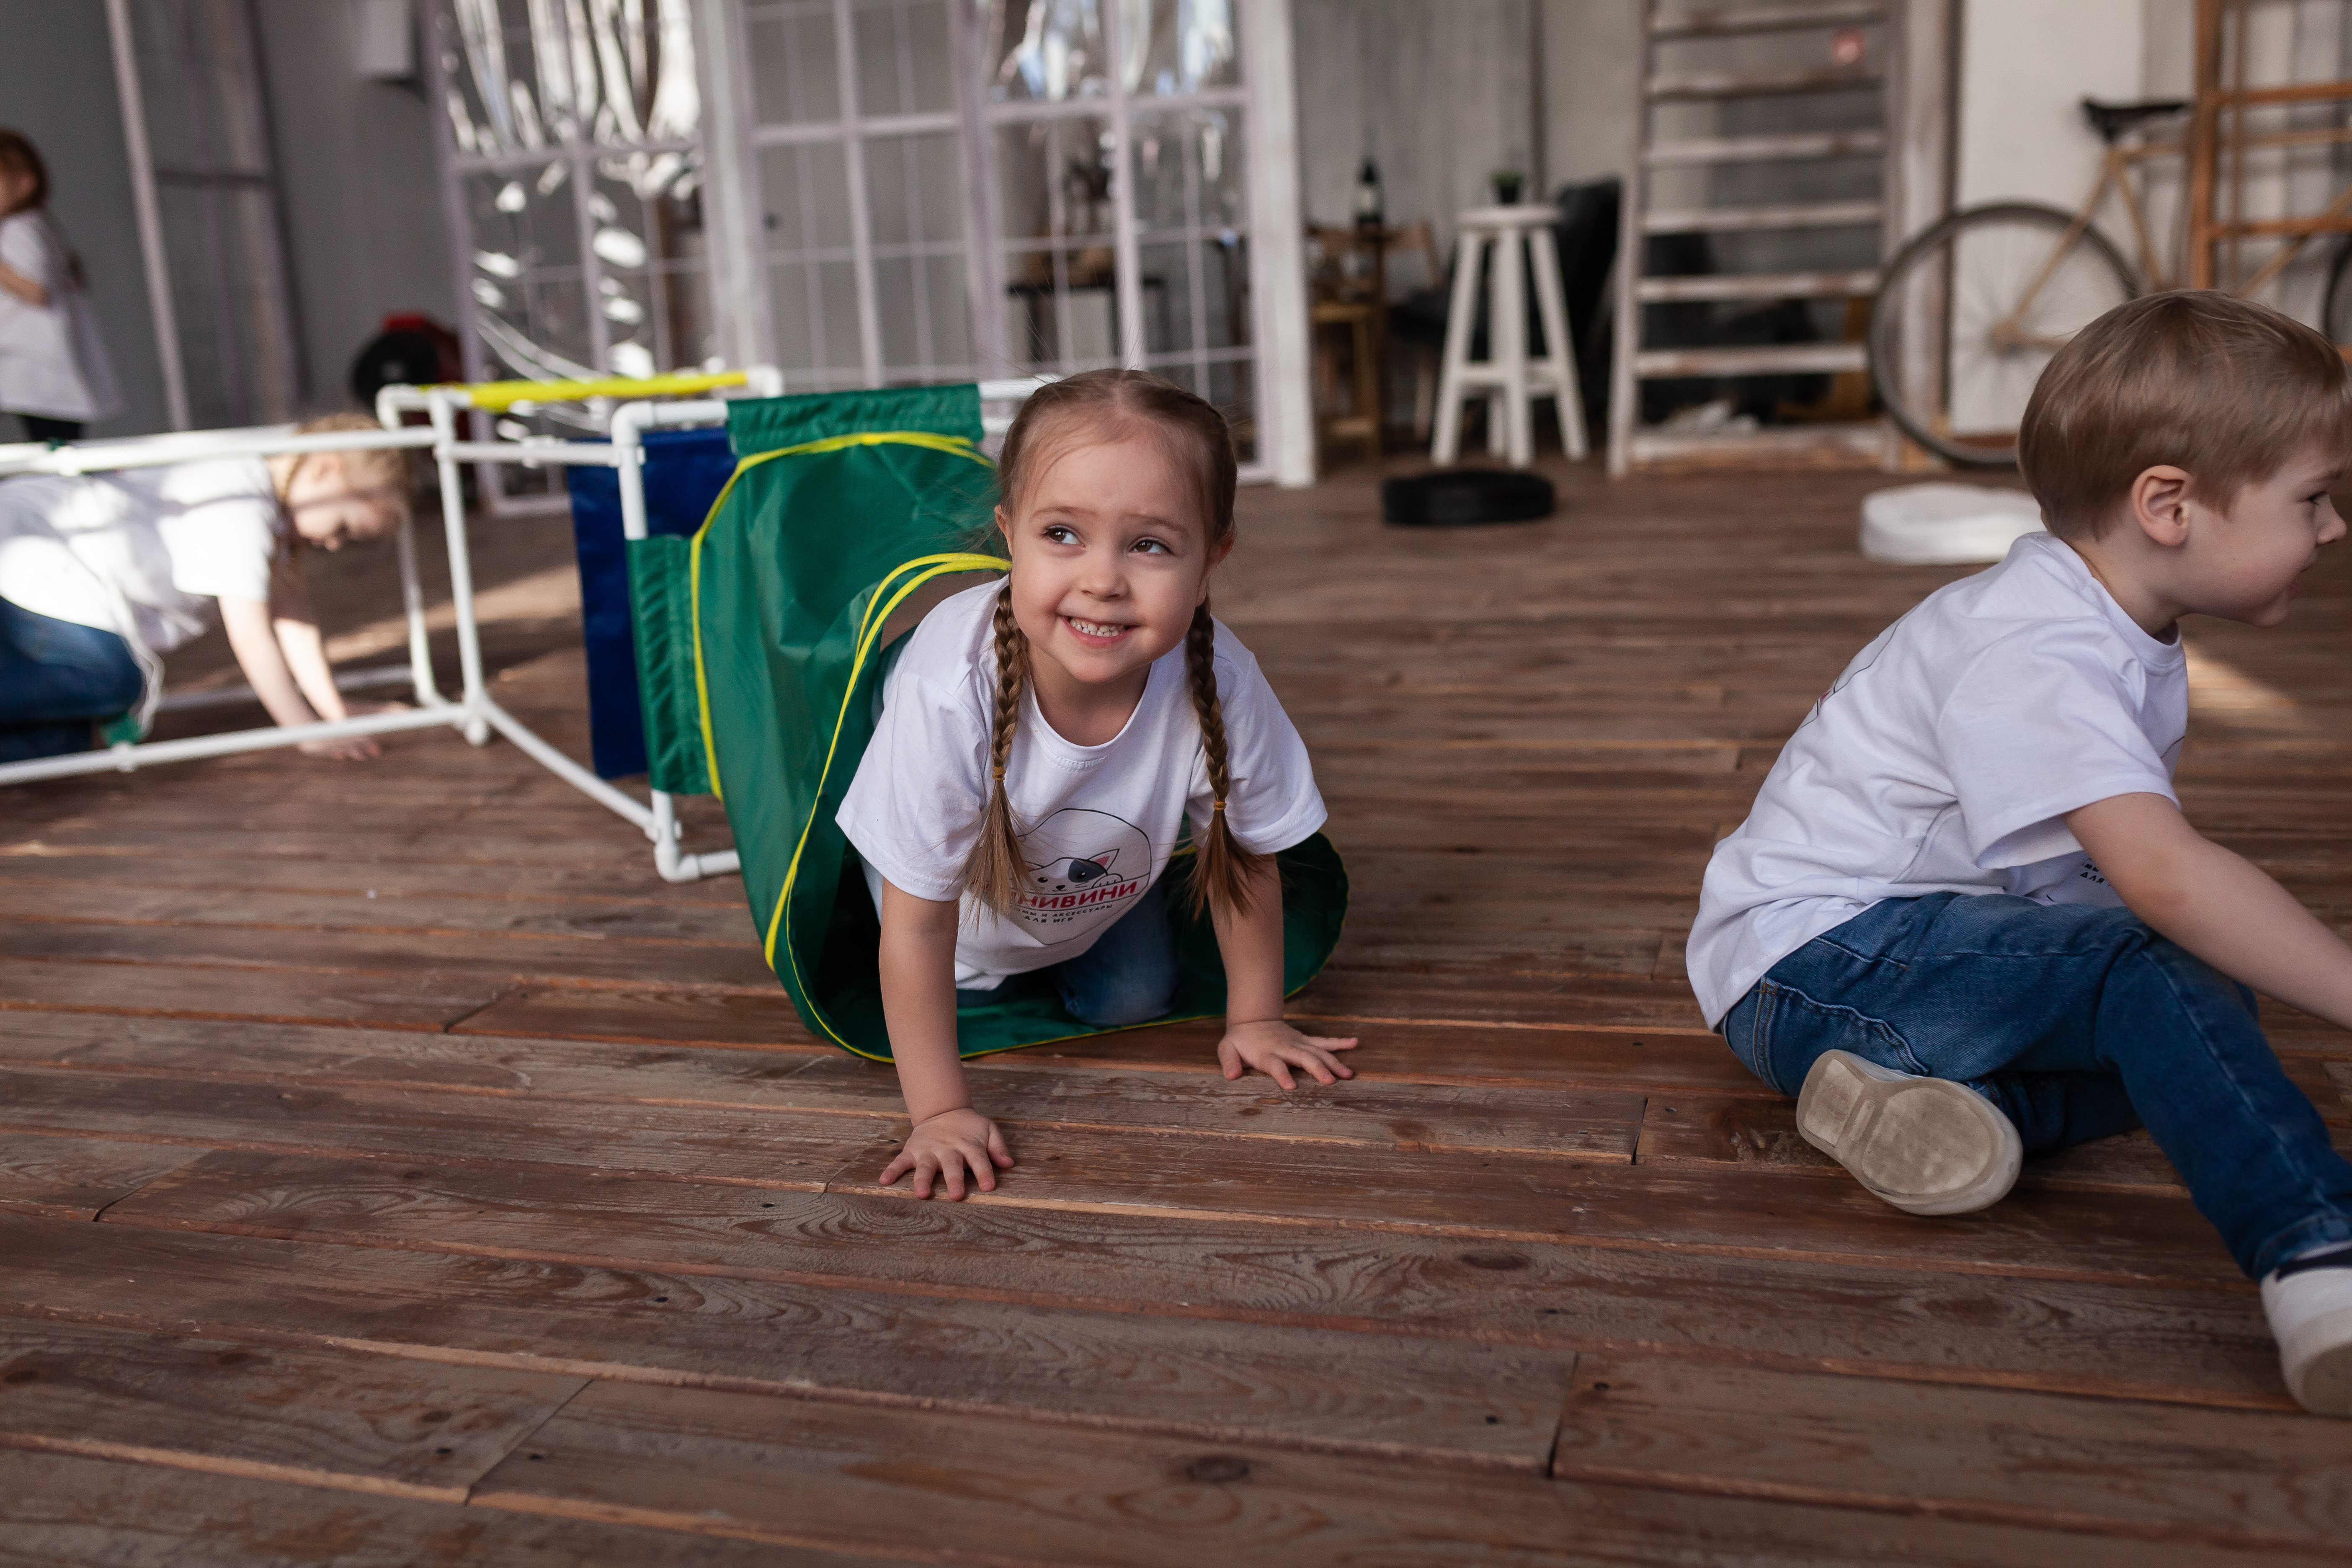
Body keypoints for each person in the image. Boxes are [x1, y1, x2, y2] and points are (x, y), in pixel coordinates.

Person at [1687, 291, 2352, 1417]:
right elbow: (2165, 878)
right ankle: (2321, 1263)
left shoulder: (2109, 618)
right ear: (2169, 506)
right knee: (2166, 978)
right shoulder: (2034, 648)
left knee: (2197, 1012)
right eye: (2314, 499)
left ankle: (1958, 1118)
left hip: (1858, 973)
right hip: (1821, 958)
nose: (2335, 530)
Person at [836, 369, 1354, 1200]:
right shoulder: (949, 685)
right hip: (952, 931)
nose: (1103, 580)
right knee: (953, 990)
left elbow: (1248, 854)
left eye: (1149, 545)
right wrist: (938, 1111)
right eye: (1063, 534)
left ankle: (1091, 935)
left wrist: (1254, 1016)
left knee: (1136, 1000)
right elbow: (919, 925)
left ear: (1212, 554)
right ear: (1010, 534)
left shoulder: (1219, 677)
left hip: (1090, 900)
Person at [0, 412, 411, 763]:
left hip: (57, 574)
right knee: (113, 679)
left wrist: (336, 711)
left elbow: (294, 618)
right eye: (343, 527)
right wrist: (303, 730)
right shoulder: (243, 503)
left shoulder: (269, 513)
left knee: (61, 740)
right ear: (326, 470)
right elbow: (252, 635)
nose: (335, 544)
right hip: (41, 555)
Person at [0, 130, 122, 444]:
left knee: (51, 448)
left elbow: (36, 291)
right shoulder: (42, 225)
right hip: (49, 365)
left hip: (37, 366)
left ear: (24, 183)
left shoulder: (19, 228)